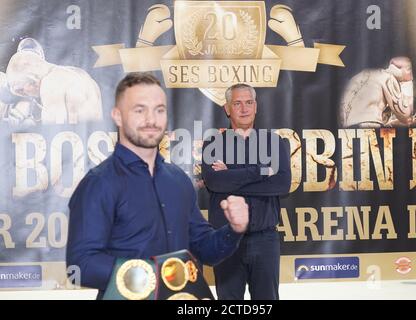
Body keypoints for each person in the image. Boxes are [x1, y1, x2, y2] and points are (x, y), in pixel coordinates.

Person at [66, 72, 249, 299]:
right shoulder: (99, 183)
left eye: (159, 110)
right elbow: (79, 266)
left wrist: (233, 230)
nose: (151, 119)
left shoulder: (178, 180)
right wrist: (151, 276)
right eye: (139, 110)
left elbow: (204, 249)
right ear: (118, 116)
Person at [201, 83, 291, 300]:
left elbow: (281, 184)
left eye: (249, 102)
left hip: (265, 239)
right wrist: (262, 171)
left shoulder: (274, 142)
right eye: (237, 103)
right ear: (227, 108)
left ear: (256, 106)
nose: (244, 108)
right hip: (226, 239)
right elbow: (215, 183)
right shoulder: (213, 144)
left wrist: (231, 173)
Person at [5, 38, 102, 124]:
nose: (25, 95)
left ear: (32, 81)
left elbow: (53, 133)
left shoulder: (50, 83)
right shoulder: (82, 75)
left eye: (20, 90)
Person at [340, 56, 414, 128]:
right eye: (409, 69)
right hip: (369, 126)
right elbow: (405, 115)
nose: (410, 76)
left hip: (348, 131)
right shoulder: (387, 77)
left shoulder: (355, 79)